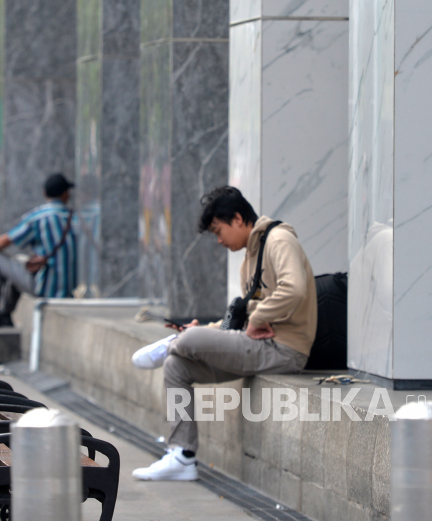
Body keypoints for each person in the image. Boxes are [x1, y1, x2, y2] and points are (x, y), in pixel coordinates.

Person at [131, 186, 317, 482]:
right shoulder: (250, 259)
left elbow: (294, 289)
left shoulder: (280, 240)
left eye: (219, 231)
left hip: (284, 349)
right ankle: (182, 456)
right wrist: (207, 331)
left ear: (238, 219)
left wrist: (258, 316)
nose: (218, 240)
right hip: (257, 344)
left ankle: (177, 343)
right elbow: (240, 323)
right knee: (176, 366)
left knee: (188, 344)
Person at [0, 173, 77, 327]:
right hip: (70, 290)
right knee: (18, 266)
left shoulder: (39, 217)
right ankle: (5, 314)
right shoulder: (75, 217)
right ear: (65, 194)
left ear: (44, 193)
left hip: (45, 288)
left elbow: (6, 240)